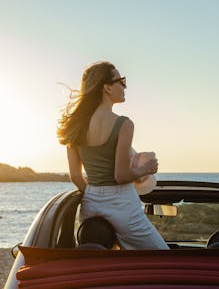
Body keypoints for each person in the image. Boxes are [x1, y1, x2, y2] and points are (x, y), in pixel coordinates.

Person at [57, 61, 168, 250]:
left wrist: (95, 194)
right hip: (122, 203)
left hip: (90, 205)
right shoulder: (124, 124)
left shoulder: (74, 126)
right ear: (107, 88)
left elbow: (76, 176)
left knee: (104, 260)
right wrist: (146, 169)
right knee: (163, 258)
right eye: (121, 81)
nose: (124, 86)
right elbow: (121, 176)